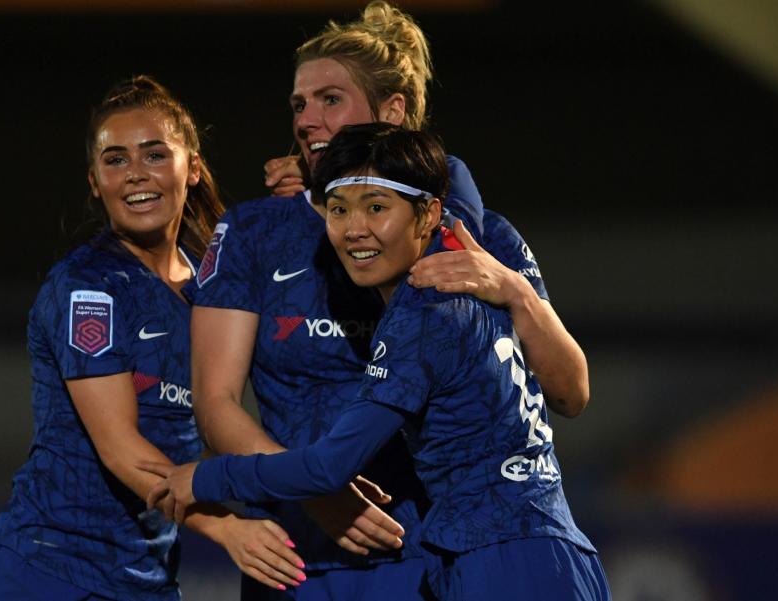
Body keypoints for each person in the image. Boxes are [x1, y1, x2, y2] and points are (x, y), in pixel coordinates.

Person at [178, 3, 588, 599]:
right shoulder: (255, 233)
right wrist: (320, 496)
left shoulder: (476, 235)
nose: (307, 119)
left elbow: (571, 392)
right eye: (299, 104)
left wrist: (517, 288)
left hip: (430, 555)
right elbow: (214, 402)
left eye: (329, 100)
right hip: (295, 558)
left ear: (392, 110)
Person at [0, 75, 305, 601]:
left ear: (191, 168)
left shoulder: (210, 290)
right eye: (115, 160)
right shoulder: (88, 288)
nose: (134, 175)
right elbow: (121, 450)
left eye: (154, 154)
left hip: (145, 580)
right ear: (95, 181)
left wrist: (309, 202)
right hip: (49, 570)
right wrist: (226, 528)